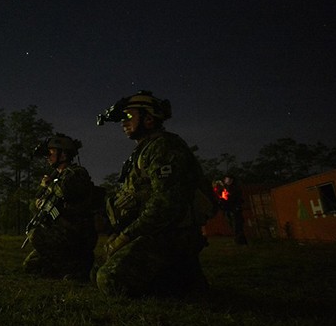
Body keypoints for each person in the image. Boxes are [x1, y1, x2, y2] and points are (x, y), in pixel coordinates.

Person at [94, 91, 209, 297]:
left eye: (129, 116)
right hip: (151, 231)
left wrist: (126, 236)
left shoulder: (164, 146)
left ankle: (180, 282)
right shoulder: (144, 151)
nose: (124, 123)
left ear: (148, 119)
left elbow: (166, 204)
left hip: (169, 234)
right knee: (95, 271)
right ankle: (181, 276)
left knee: (109, 279)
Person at [22, 133, 98, 281]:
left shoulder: (77, 173)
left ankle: (78, 266)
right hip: (61, 233)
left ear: (63, 154)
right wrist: (42, 195)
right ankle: (65, 267)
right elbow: (35, 204)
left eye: (51, 153)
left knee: (36, 234)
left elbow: (65, 190)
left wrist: (49, 185)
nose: (48, 157)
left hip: (76, 235)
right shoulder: (55, 177)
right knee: (31, 266)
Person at [219, 175, 248, 245]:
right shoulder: (226, 188)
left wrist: (226, 199)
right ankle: (239, 240)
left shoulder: (235, 189)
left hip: (234, 209)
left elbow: (235, 198)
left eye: (227, 179)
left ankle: (240, 241)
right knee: (233, 224)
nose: (226, 181)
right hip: (229, 209)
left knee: (237, 225)